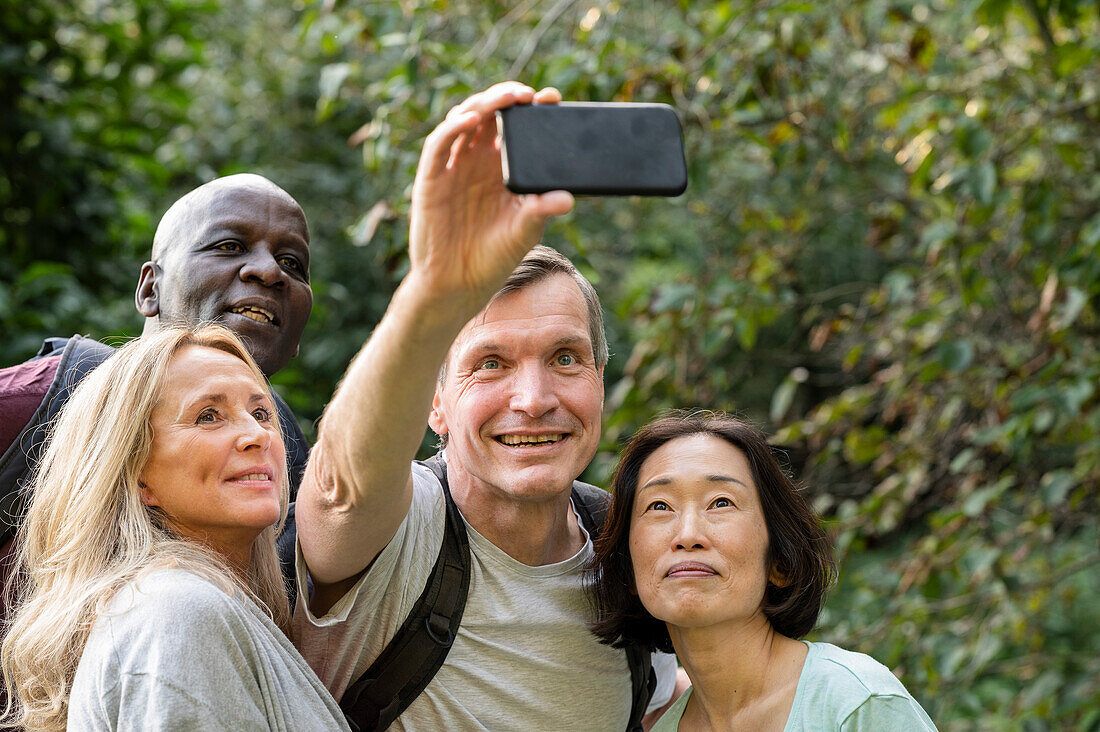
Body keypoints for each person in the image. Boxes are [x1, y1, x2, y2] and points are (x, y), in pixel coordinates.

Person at [293, 81, 683, 730]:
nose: (534, 400)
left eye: (565, 358)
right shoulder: (403, 532)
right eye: (490, 364)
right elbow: (342, 490)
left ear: (601, 379)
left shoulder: (628, 559)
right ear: (435, 406)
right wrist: (436, 287)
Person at [0, 324, 348, 731]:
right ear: (137, 472)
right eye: (208, 416)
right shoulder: (177, 612)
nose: (257, 435)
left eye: (260, 413)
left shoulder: (195, 607)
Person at [0, 172, 314, 587]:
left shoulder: (289, 456)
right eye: (229, 246)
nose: (269, 271)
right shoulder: (29, 404)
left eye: (292, 263)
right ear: (150, 289)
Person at [589, 411, 937, 731]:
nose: (688, 535)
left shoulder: (855, 702)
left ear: (779, 563)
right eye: (659, 506)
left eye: (721, 502)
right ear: (628, 569)